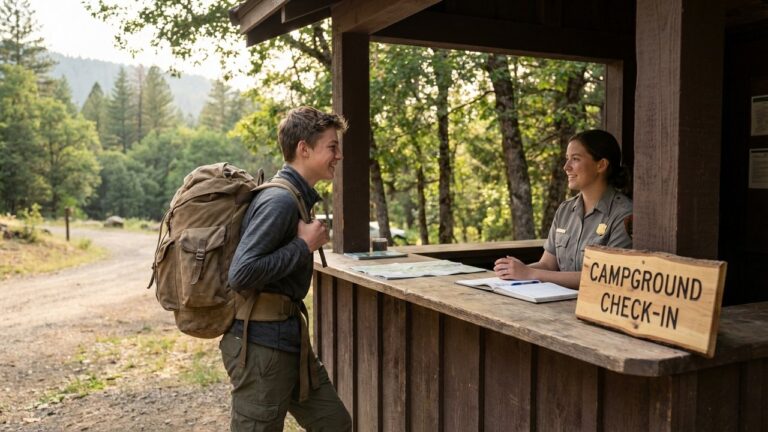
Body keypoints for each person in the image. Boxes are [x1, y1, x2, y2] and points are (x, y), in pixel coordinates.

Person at [221, 106, 352, 431]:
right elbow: (242, 273)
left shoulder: (294, 197)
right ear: (303, 149)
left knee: (334, 424)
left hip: (288, 340)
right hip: (262, 347)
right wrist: (303, 246)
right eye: (332, 147)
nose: (339, 156)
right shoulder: (279, 201)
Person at [493, 129, 633, 289]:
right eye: (567, 159)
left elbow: (603, 278)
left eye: (575, 159)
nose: (566, 167)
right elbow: (547, 265)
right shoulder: (565, 210)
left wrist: (530, 273)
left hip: (596, 311)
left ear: (601, 165)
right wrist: (512, 271)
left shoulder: (624, 214)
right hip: (555, 307)